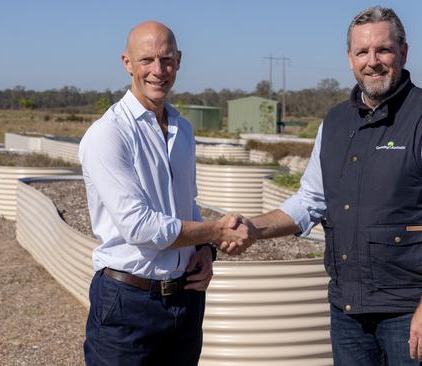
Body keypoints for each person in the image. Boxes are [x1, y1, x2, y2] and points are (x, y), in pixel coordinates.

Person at [224, 6, 422, 366]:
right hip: (347, 310)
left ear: (403, 52)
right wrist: (253, 228)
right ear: (350, 59)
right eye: (362, 52)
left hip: (408, 312)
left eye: (383, 50)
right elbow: (310, 201)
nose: (372, 61)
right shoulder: (334, 122)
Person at [79, 21, 253, 366]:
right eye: (146, 60)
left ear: (179, 60)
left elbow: (187, 203)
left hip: (184, 299)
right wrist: (217, 232)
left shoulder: (182, 129)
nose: (158, 71)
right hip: (127, 303)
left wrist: (204, 249)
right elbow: (139, 228)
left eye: (167, 59)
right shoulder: (108, 134)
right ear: (127, 63)